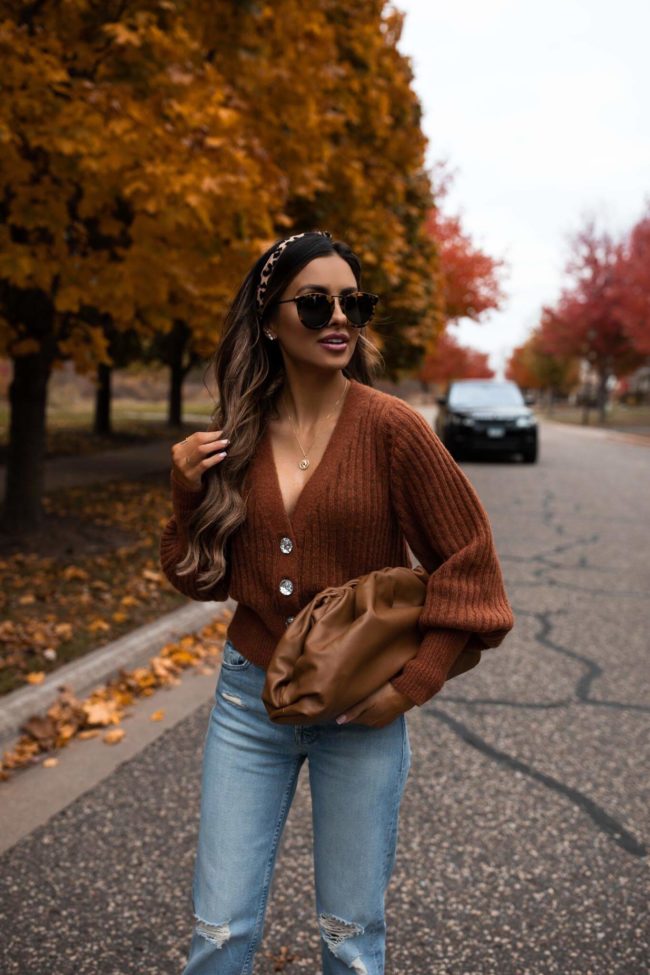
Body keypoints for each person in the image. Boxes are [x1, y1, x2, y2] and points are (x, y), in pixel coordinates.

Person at [159, 230, 514, 975]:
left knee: (350, 941)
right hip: (245, 703)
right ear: (268, 320)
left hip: (361, 713)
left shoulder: (394, 430)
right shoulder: (236, 436)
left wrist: (412, 684)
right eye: (316, 301)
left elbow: (469, 561)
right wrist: (185, 492)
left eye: (354, 302)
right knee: (218, 933)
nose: (339, 318)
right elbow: (197, 578)